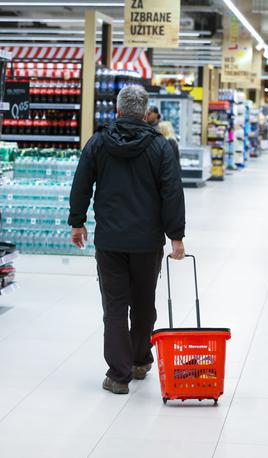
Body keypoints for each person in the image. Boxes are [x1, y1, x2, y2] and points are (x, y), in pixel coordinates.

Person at [68, 84, 186, 395]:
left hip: (110, 241)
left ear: (117, 111)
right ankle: (139, 360)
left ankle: (119, 375)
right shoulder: (160, 147)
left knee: (116, 306)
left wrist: (77, 222)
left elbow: (81, 184)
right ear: (147, 114)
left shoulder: (98, 143)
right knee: (144, 302)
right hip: (148, 243)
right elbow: (172, 192)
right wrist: (176, 236)